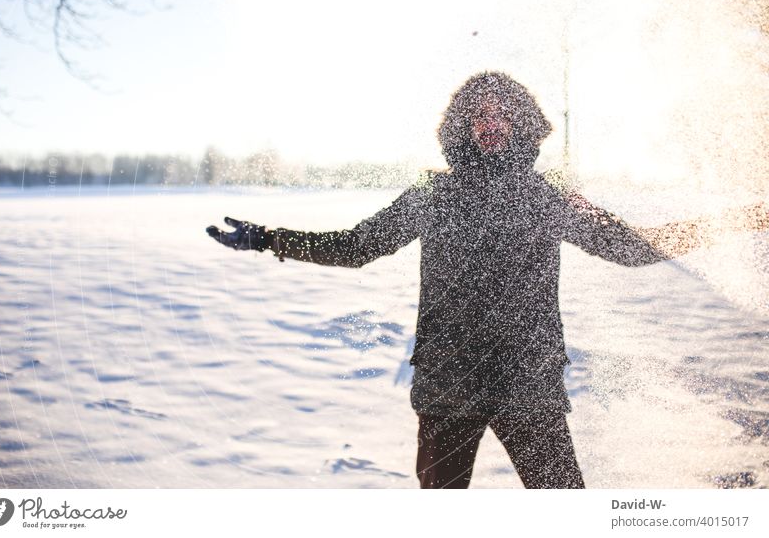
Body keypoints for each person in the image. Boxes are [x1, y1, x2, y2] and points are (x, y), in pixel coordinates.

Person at [206, 72, 769, 489]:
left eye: (502, 113)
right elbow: (356, 248)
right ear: (462, 127)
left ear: (522, 123)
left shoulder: (543, 197)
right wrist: (269, 237)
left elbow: (629, 247)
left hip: (529, 381)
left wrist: (738, 218)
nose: (490, 123)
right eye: (478, 115)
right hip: (447, 382)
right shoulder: (435, 195)